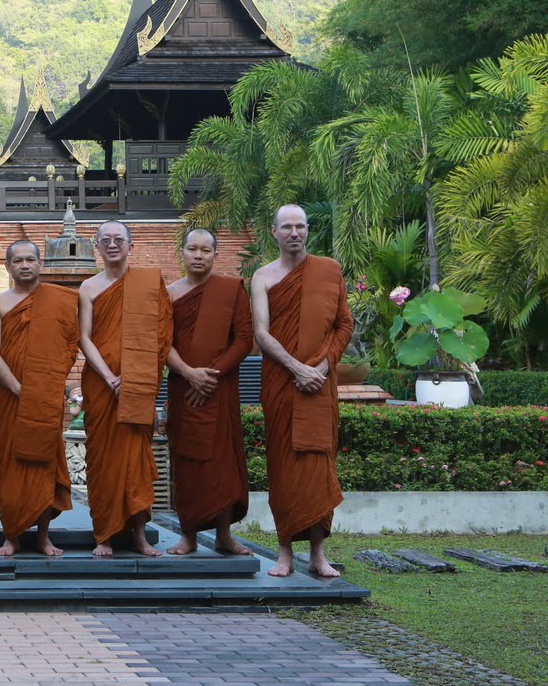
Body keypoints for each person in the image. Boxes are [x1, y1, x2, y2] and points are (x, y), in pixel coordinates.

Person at [251, 204, 353, 578]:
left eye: (300, 226)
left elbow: (344, 325)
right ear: (274, 232)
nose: (294, 233)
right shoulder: (262, 277)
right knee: (282, 468)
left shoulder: (329, 271)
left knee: (318, 468)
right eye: (287, 227)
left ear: (307, 231)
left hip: (319, 386)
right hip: (282, 383)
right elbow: (261, 333)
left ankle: (317, 554)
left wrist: (321, 369)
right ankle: (284, 553)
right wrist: (296, 368)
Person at [77, 219, 173, 557]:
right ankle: (103, 534)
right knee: (103, 458)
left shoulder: (148, 283)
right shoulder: (88, 287)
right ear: (97, 246)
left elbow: (162, 336)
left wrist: (136, 378)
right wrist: (110, 377)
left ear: (131, 246)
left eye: (119, 239)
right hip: (102, 385)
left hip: (140, 382)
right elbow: (84, 338)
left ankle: (139, 535)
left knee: (137, 458)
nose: (113, 244)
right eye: (106, 239)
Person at [165, 227, 255, 556]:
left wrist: (211, 376)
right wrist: (190, 374)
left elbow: (245, 339)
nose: (199, 256)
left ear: (216, 255)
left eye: (206, 250)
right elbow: (162, 342)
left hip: (221, 389)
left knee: (222, 464)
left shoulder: (231, 290)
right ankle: (187, 534)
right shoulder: (171, 294)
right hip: (182, 388)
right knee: (186, 461)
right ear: (183, 253)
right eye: (193, 249)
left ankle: (223, 535)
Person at [0, 239, 78, 557]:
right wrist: (18, 388)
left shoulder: (60, 300)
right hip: (12, 398)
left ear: (41, 263)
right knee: (11, 462)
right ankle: (11, 534)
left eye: (30, 259)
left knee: (45, 463)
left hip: (45, 396)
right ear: (7, 265)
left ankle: (43, 536)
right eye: (18, 260)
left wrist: (50, 384)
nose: (25, 265)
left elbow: (70, 344)